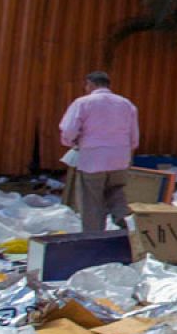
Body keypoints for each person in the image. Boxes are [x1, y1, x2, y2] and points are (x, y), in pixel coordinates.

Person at [58, 72, 140, 232]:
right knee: (116, 191)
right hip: (119, 158)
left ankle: (94, 236)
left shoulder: (83, 103)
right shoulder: (126, 104)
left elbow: (68, 130)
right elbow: (134, 137)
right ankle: (126, 224)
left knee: (92, 200)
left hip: (93, 158)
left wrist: (71, 142)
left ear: (90, 84)